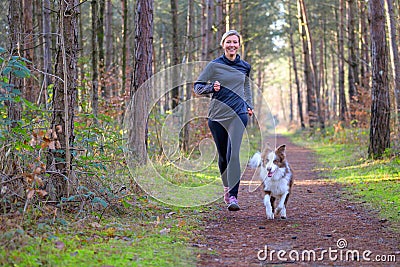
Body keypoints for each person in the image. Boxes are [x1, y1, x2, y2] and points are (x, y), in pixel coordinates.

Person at [194, 30, 253, 211]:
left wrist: (249, 105)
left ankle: (234, 196)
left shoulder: (245, 66)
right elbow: (197, 87)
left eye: (235, 42)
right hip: (217, 115)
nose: (232, 45)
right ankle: (227, 188)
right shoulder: (214, 66)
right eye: (229, 42)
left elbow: (246, 86)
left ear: (239, 44)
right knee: (222, 156)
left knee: (233, 153)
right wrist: (211, 88)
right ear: (223, 44)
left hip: (239, 113)